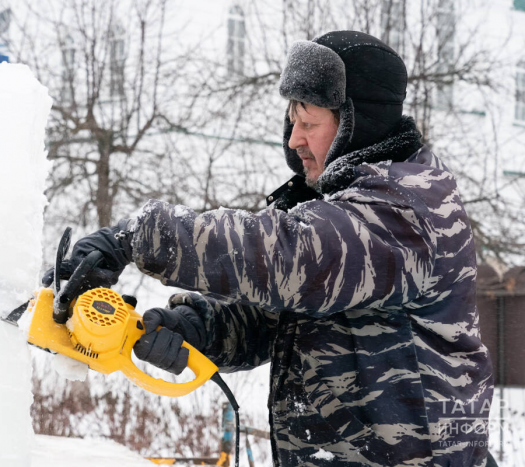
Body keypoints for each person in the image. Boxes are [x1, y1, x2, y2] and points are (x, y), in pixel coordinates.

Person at [54, 31, 494, 466]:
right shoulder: (346, 206)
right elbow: (284, 317)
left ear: (357, 127)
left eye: (309, 124)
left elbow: (293, 259)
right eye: (292, 122)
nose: (294, 140)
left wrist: (137, 236)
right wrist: (193, 328)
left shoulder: (407, 206)